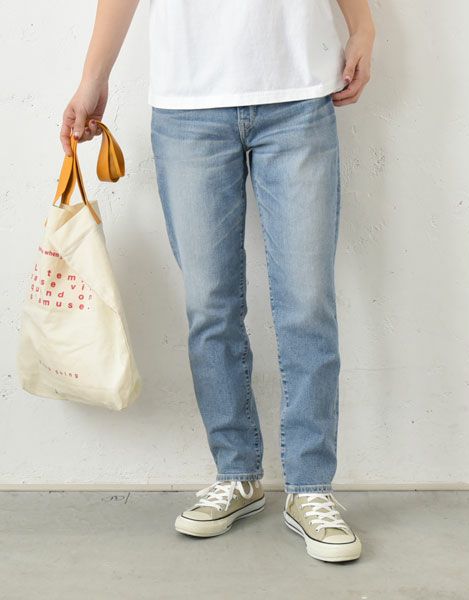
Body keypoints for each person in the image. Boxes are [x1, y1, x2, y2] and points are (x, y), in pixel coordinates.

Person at [61, 0, 375, 563]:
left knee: (307, 305)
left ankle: (310, 487)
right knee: (210, 307)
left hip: (299, 94)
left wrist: (364, 25)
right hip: (189, 107)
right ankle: (237, 473)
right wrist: (93, 78)